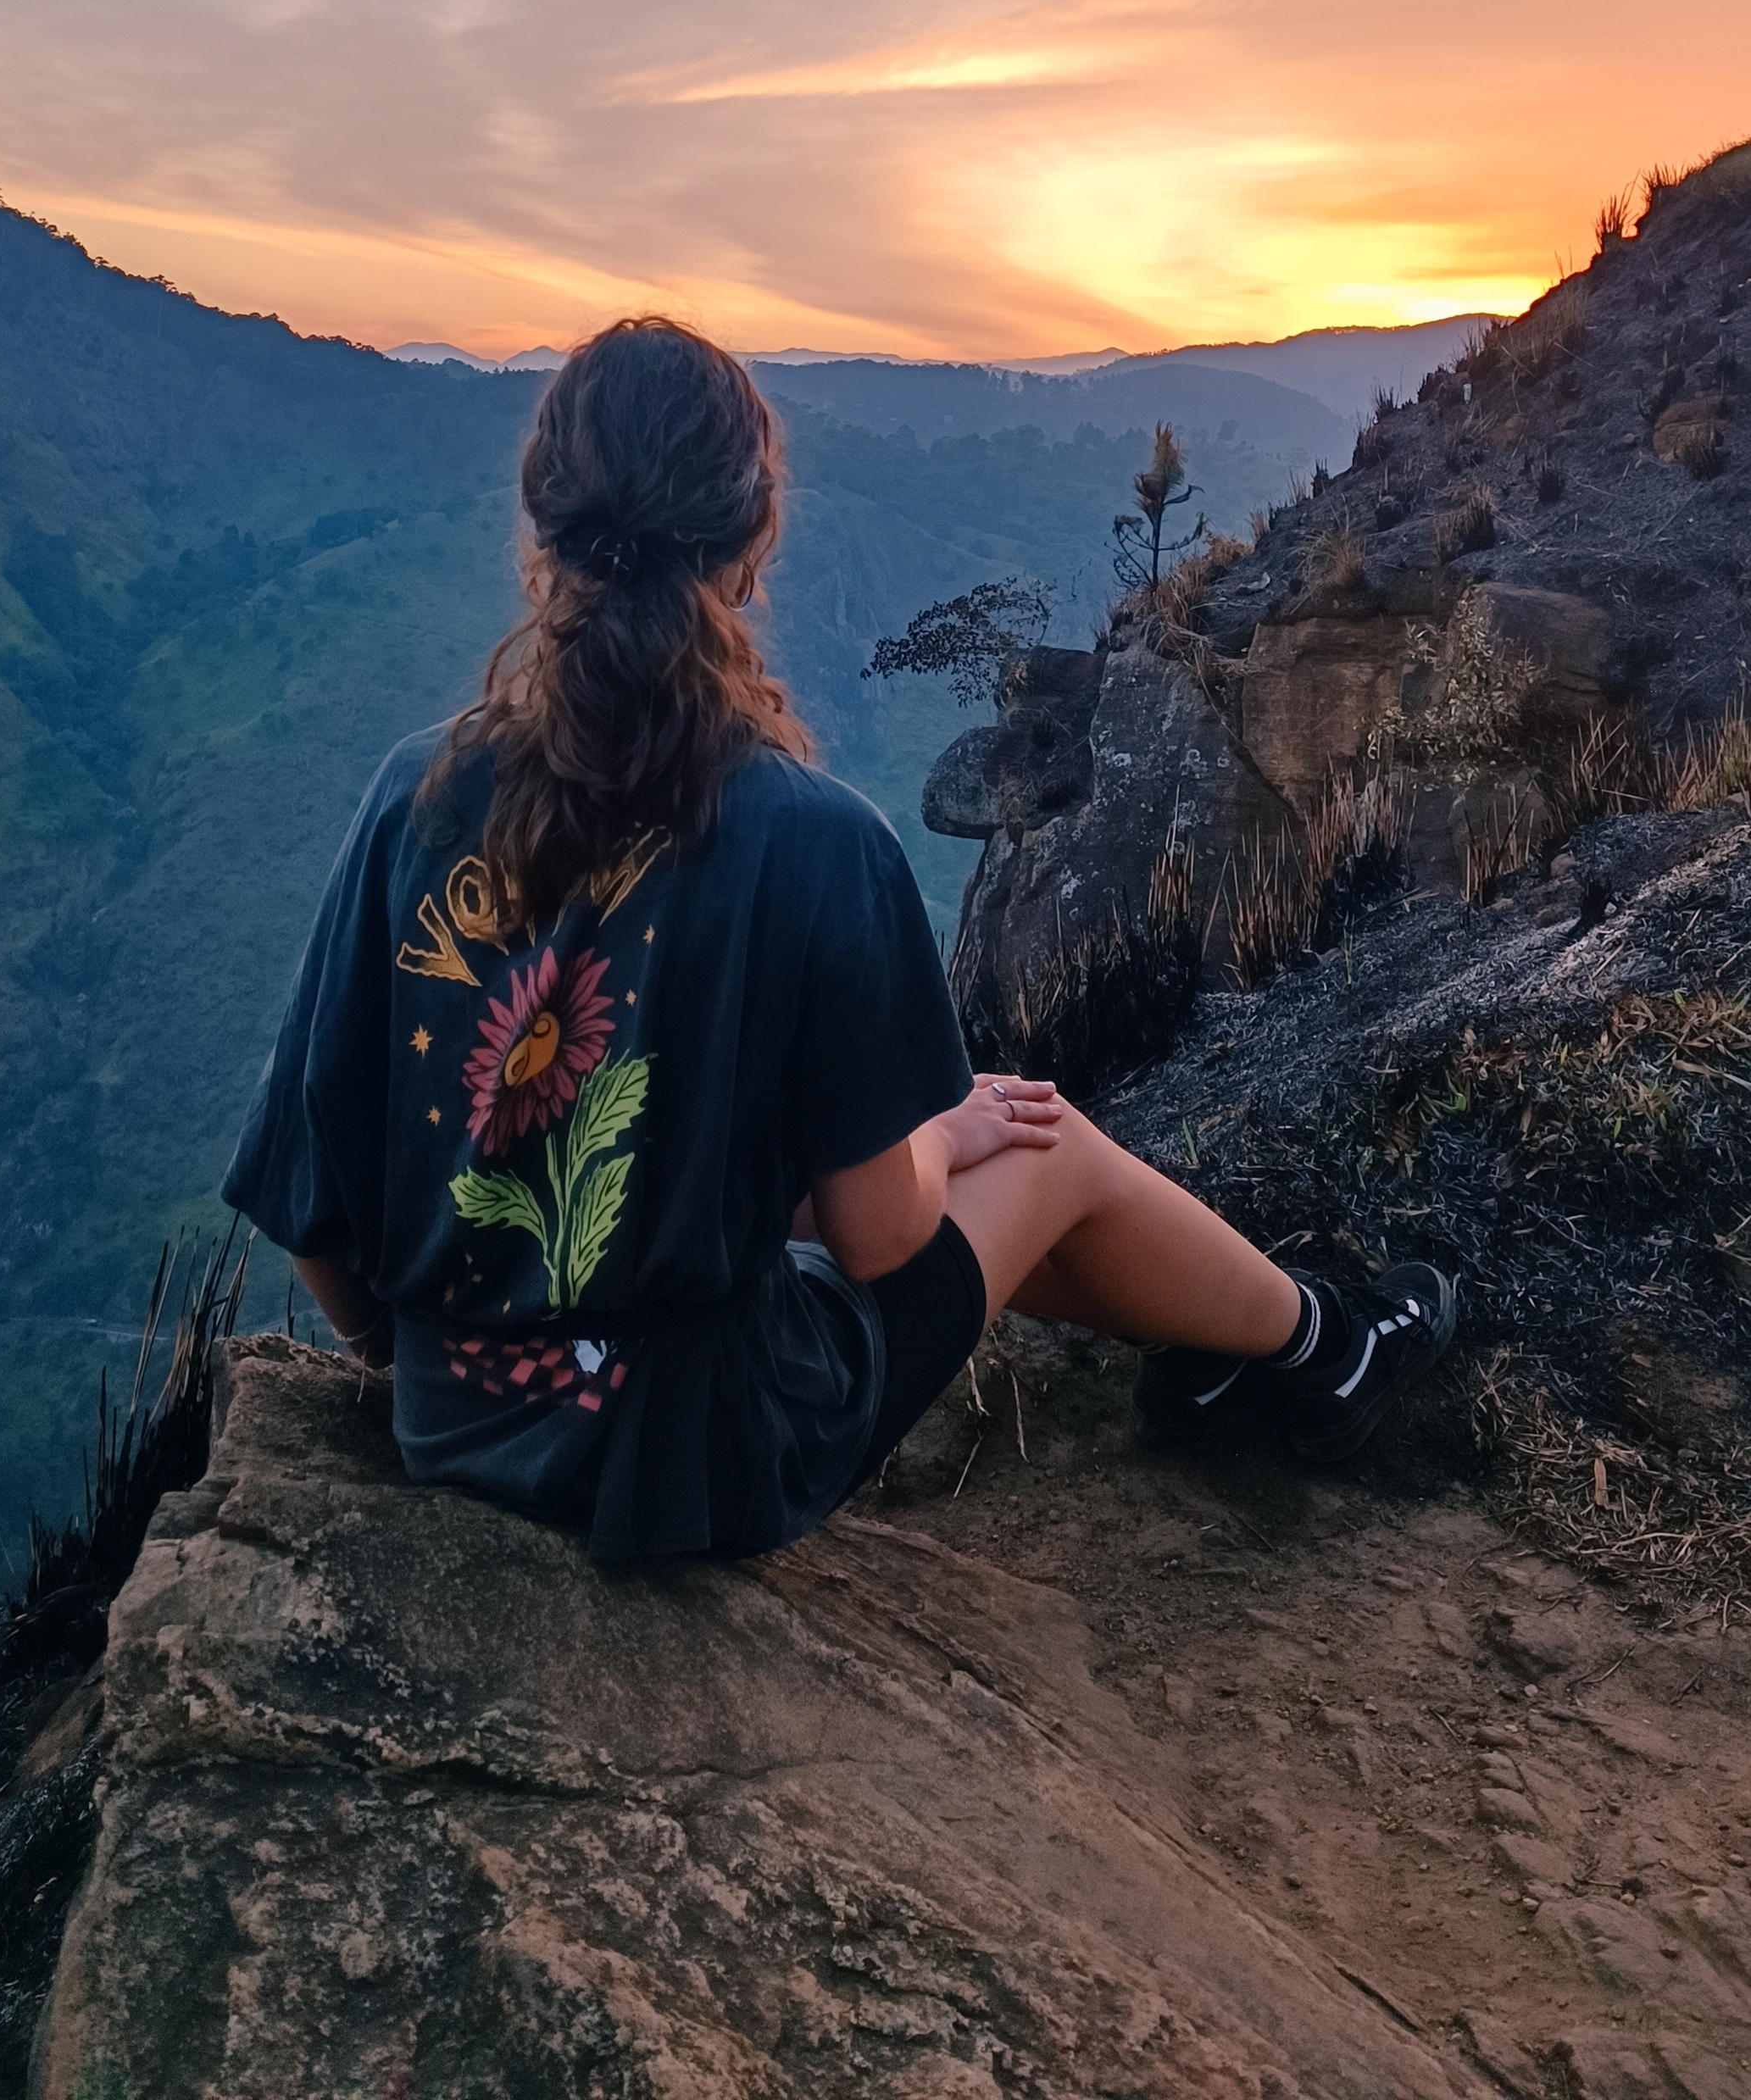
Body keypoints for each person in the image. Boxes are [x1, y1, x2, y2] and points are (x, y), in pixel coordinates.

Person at [223, 317, 1454, 1559]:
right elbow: (886, 1236)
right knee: (1046, 1145)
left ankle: (1220, 1347)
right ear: (750, 542)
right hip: (698, 1455)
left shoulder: (410, 797)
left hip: (451, 1427)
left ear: (542, 524)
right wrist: (933, 1133)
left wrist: (421, 1361)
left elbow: (310, 1203)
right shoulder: (810, 836)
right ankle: (1328, 1349)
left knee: (929, 1148)